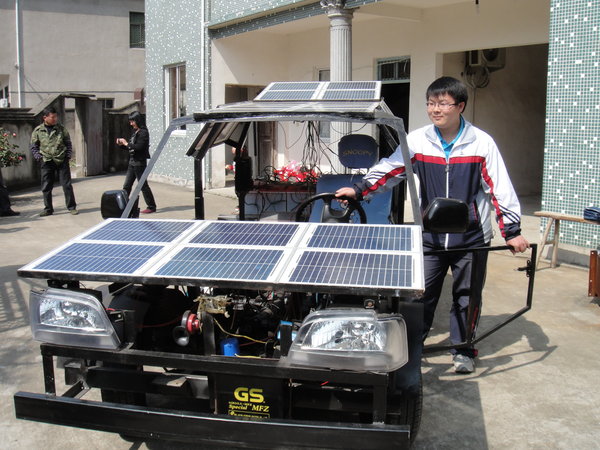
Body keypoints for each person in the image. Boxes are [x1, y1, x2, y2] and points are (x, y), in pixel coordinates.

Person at [336, 76, 529, 374]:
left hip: (472, 238)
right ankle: (414, 345)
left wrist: (512, 232)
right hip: (430, 238)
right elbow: (391, 169)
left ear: (460, 106)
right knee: (420, 296)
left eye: (442, 104)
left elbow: (499, 188)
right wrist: (360, 188)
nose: (435, 109)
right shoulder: (417, 140)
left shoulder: (481, 143)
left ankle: (462, 349)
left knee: (467, 297)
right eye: (430, 103)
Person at [30, 106, 78, 216]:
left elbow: (68, 143)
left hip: (61, 160)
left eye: (56, 117)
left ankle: (71, 207)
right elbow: (33, 146)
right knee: (46, 186)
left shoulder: (61, 129)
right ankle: (48, 209)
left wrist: (67, 156)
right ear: (45, 117)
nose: (55, 119)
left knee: (66, 185)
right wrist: (39, 158)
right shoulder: (38, 131)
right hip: (46, 161)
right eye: (52, 117)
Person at [116, 112, 157, 214]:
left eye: (132, 121)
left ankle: (151, 206)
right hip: (132, 162)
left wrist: (126, 143)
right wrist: (122, 145)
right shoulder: (136, 132)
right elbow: (131, 147)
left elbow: (139, 147)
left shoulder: (143, 133)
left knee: (143, 185)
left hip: (139, 163)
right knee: (127, 185)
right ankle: (123, 206)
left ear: (137, 120)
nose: (131, 124)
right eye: (130, 121)